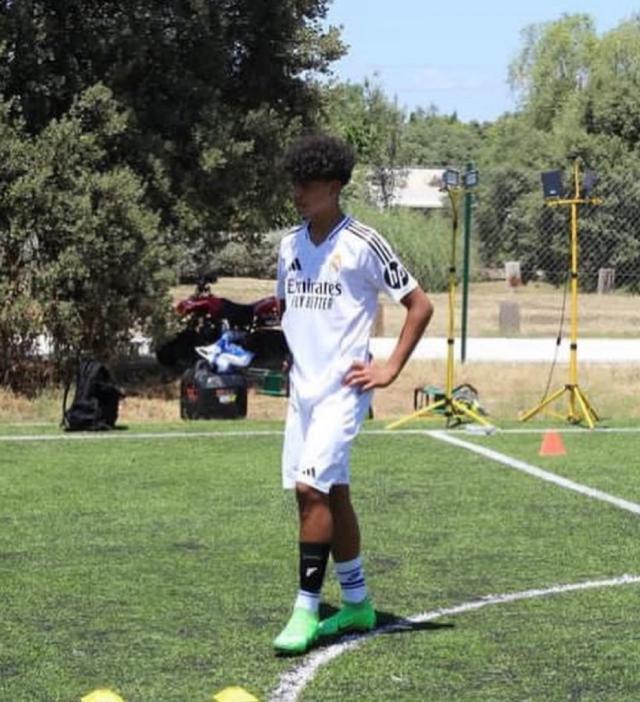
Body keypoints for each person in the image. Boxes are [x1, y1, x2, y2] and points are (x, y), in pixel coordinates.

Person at [273, 134, 433, 654]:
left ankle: (305, 609)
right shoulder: (288, 245)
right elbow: (287, 307)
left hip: (344, 392)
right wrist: (289, 354)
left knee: (310, 491)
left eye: (309, 183)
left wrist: (389, 368)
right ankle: (358, 602)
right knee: (332, 491)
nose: (298, 192)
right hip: (303, 393)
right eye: (296, 182)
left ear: (335, 186)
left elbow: (420, 305)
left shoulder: (364, 243)